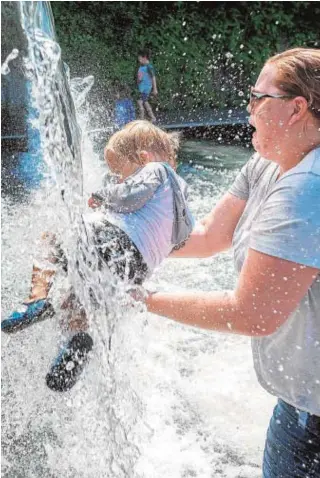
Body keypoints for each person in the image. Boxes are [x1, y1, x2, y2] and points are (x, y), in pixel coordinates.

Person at [136, 48, 320, 477]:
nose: (249, 107)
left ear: (296, 109)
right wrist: (123, 243)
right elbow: (205, 237)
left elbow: (252, 313)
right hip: (300, 408)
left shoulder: (306, 189)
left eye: (258, 97)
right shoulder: (265, 164)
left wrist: (142, 298)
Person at [2, 120, 194, 392]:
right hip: (135, 271)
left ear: (142, 158)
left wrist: (102, 197)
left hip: (112, 244)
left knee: (51, 236)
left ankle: (37, 298)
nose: (118, 180)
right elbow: (176, 241)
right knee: (77, 300)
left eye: (120, 173)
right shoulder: (182, 206)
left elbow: (132, 194)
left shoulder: (155, 169)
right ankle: (79, 339)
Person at [137, 49, 158, 123]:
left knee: (140, 102)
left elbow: (153, 77)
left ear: (144, 57)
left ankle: (141, 119)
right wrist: (139, 80)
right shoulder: (142, 67)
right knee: (145, 102)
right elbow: (140, 78)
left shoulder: (149, 67)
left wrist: (155, 89)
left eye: (140, 58)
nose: (139, 60)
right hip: (142, 88)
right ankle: (152, 117)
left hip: (146, 89)